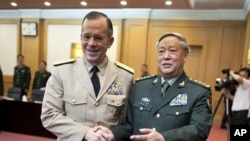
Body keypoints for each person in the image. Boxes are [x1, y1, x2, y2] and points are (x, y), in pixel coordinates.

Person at [96, 32, 213, 141]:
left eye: (172, 51)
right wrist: (113, 133)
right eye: (161, 51)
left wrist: (164, 138)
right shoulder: (140, 86)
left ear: (185, 56)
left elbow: (200, 129)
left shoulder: (198, 92)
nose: (165, 56)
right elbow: (130, 125)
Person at [40, 11, 134, 141]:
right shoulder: (62, 72)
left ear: (110, 41)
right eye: (86, 37)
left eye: (98, 38)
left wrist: (113, 134)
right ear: (81, 38)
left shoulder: (125, 76)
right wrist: (85, 133)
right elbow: (49, 115)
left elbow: (127, 121)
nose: (91, 43)